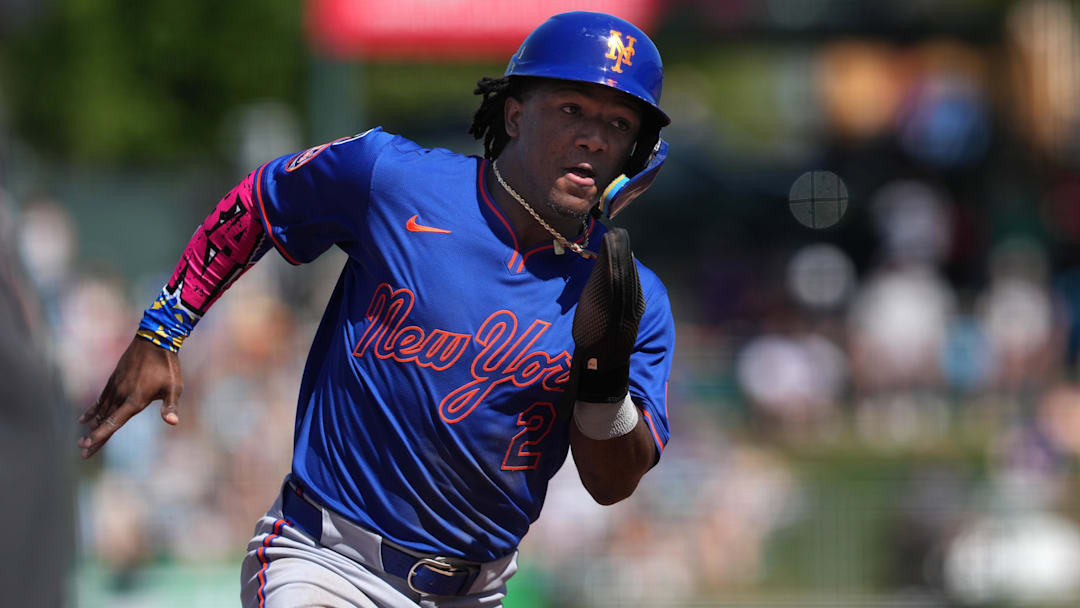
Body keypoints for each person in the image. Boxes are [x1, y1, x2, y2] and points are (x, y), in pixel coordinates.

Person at [78, 11, 675, 607]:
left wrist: (603, 381)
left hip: (475, 592)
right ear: (515, 114)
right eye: (572, 109)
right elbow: (261, 200)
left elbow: (612, 482)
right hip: (324, 563)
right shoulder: (391, 179)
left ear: (636, 152)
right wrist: (162, 330)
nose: (594, 137)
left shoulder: (630, 297)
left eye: (618, 123)